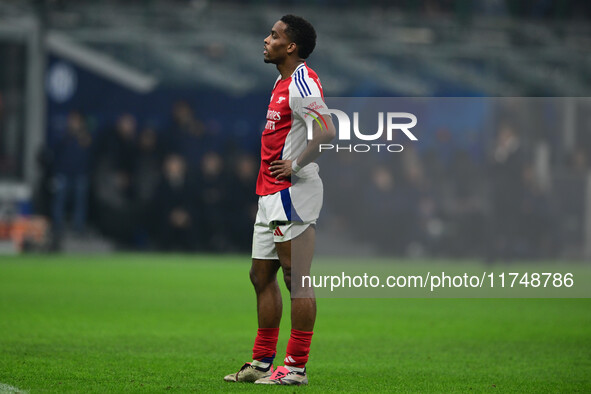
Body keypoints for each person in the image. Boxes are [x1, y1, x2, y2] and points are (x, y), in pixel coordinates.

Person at [223, 14, 335, 386]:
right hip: (269, 192)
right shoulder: (281, 80)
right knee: (260, 275)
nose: (266, 40)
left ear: (291, 47)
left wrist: (296, 163)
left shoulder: (303, 82)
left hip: (293, 192)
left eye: (274, 36)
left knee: (295, 277)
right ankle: (261, 361)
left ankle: (296, 367)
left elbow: (327, 129)